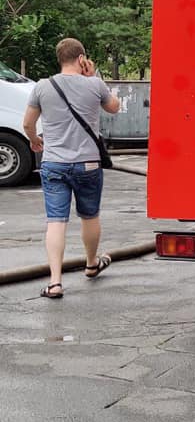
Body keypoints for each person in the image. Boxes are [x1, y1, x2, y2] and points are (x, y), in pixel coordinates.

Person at [22, 38, 120, 299]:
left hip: (54, 163)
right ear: (81, 59)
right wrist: (94, 77)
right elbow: (114, 107)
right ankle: (91, 264)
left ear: (60, 58)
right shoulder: (94, 84)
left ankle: (55, 282)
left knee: (56, 221)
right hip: (89, 164)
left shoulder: (43, 86)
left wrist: (34, 140)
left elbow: (28, 124)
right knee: (90, 216)